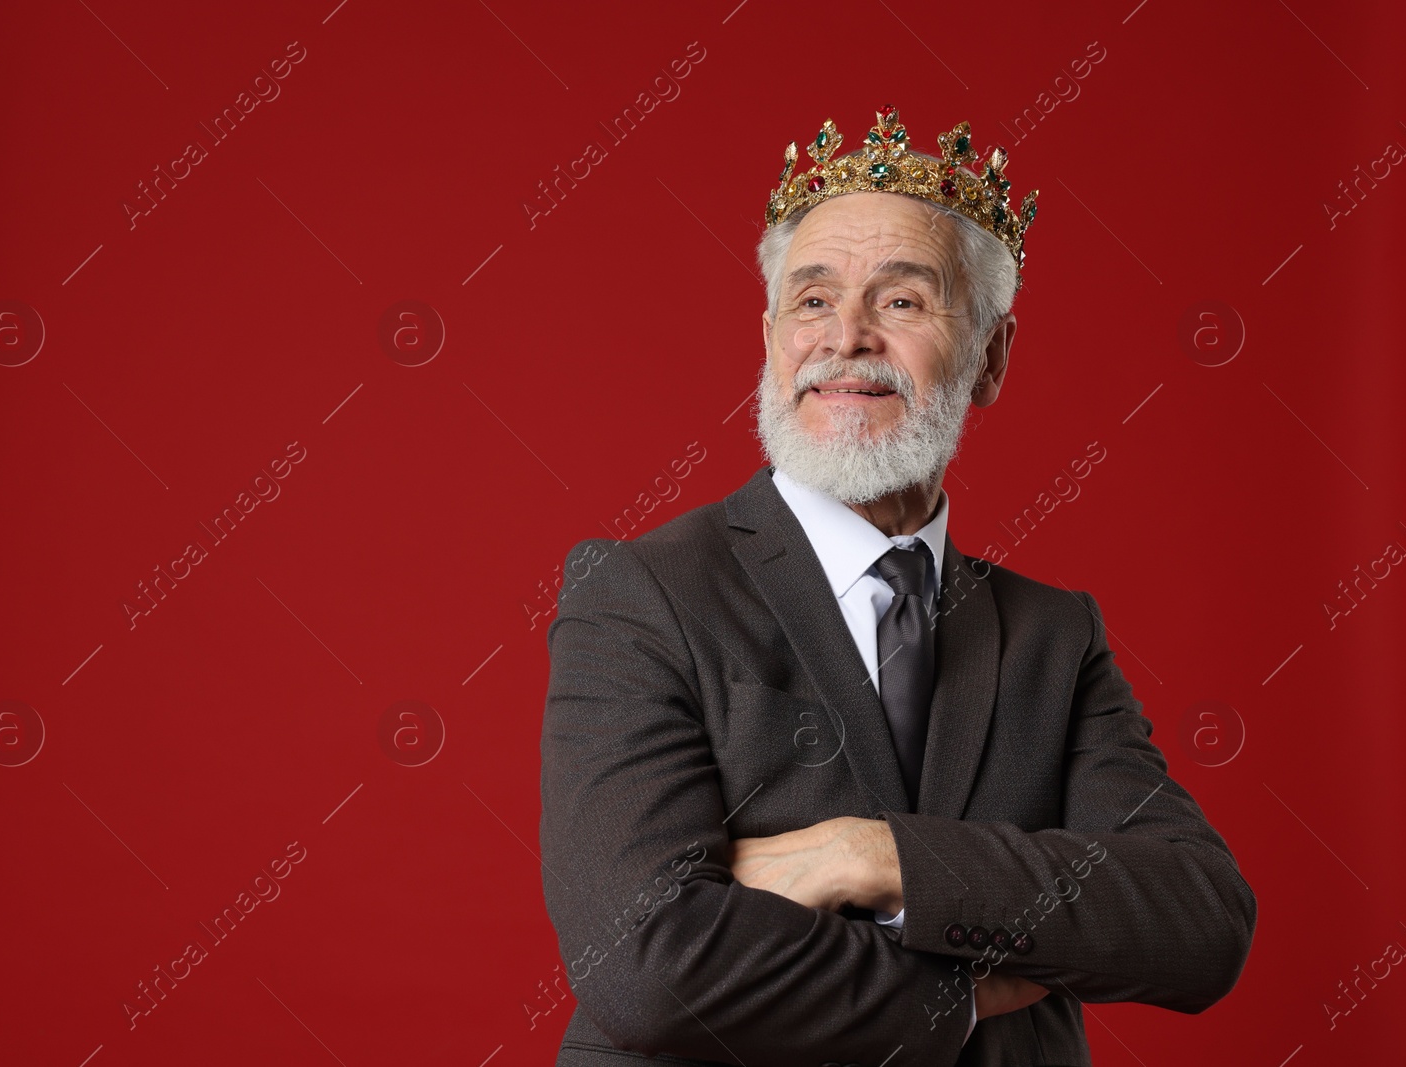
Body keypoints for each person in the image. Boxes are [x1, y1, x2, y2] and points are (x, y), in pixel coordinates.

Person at [538, 105, 1256, 1065]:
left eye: (903, 302)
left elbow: (1197, 918)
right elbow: (642, 961)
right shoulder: (639, 594)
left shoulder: (1053, 636)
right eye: (813, 300)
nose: (849, 339)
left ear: (992, 356)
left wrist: (871, 856)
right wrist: (965, 995)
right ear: (768, 336)